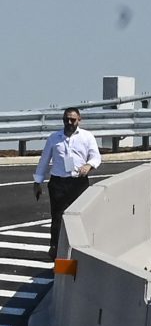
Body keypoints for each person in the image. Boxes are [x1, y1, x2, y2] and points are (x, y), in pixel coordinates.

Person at [34, 107, 101, 261]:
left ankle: (79, 251)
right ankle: (56, 250)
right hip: (58, 183)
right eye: (66, 119)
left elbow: (96, 157)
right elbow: (44, 160)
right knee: (57, 217)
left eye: (72, 119)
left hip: (78, 183)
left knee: (79, 217)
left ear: (79, 120)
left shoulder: (87, 137)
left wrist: (88, 165)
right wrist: (37, 182)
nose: (69, 122)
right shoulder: (54, 138)